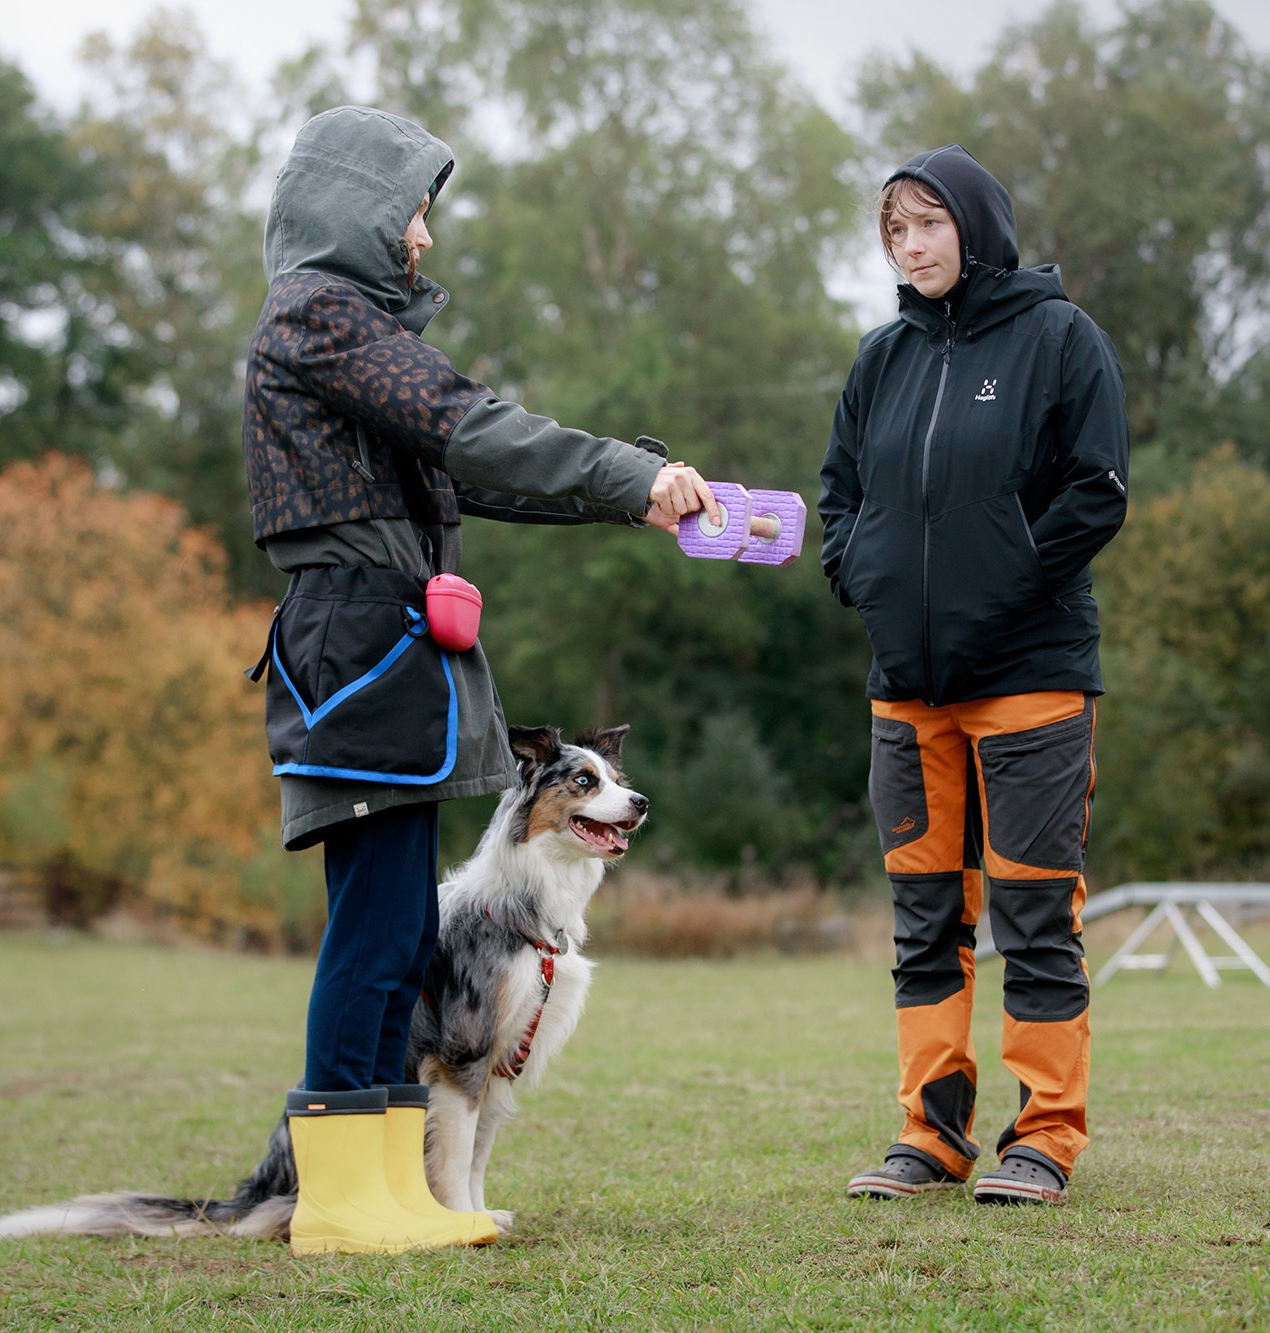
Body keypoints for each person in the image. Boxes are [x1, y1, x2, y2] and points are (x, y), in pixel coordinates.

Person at [243, 106, 715, 1254]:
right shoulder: (317, 314)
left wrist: (632, 491)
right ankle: (341, 1196)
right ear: (354, 210)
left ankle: (391, 1186)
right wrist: (627, 473)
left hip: (391, 643)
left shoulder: (346, 328)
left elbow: (471, 473)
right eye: (411, 213)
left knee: (403, 927)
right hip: (358, 645)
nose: (423, 238)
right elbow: (470, 428)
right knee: (372, 931)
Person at [818, 145, 1129, 1206]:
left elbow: (1097, 491)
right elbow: (840, 496)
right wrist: (858, 573)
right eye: (894, 231)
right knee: (922, 922)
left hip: (1029, 675)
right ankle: (931, 1133)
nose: (910, 248)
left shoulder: (1061, 338)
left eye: (928, 224)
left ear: (977, 226)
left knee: (1034, 916)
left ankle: (1044, 1135)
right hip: (907, 692)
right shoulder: (881, 358)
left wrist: (997, 584)